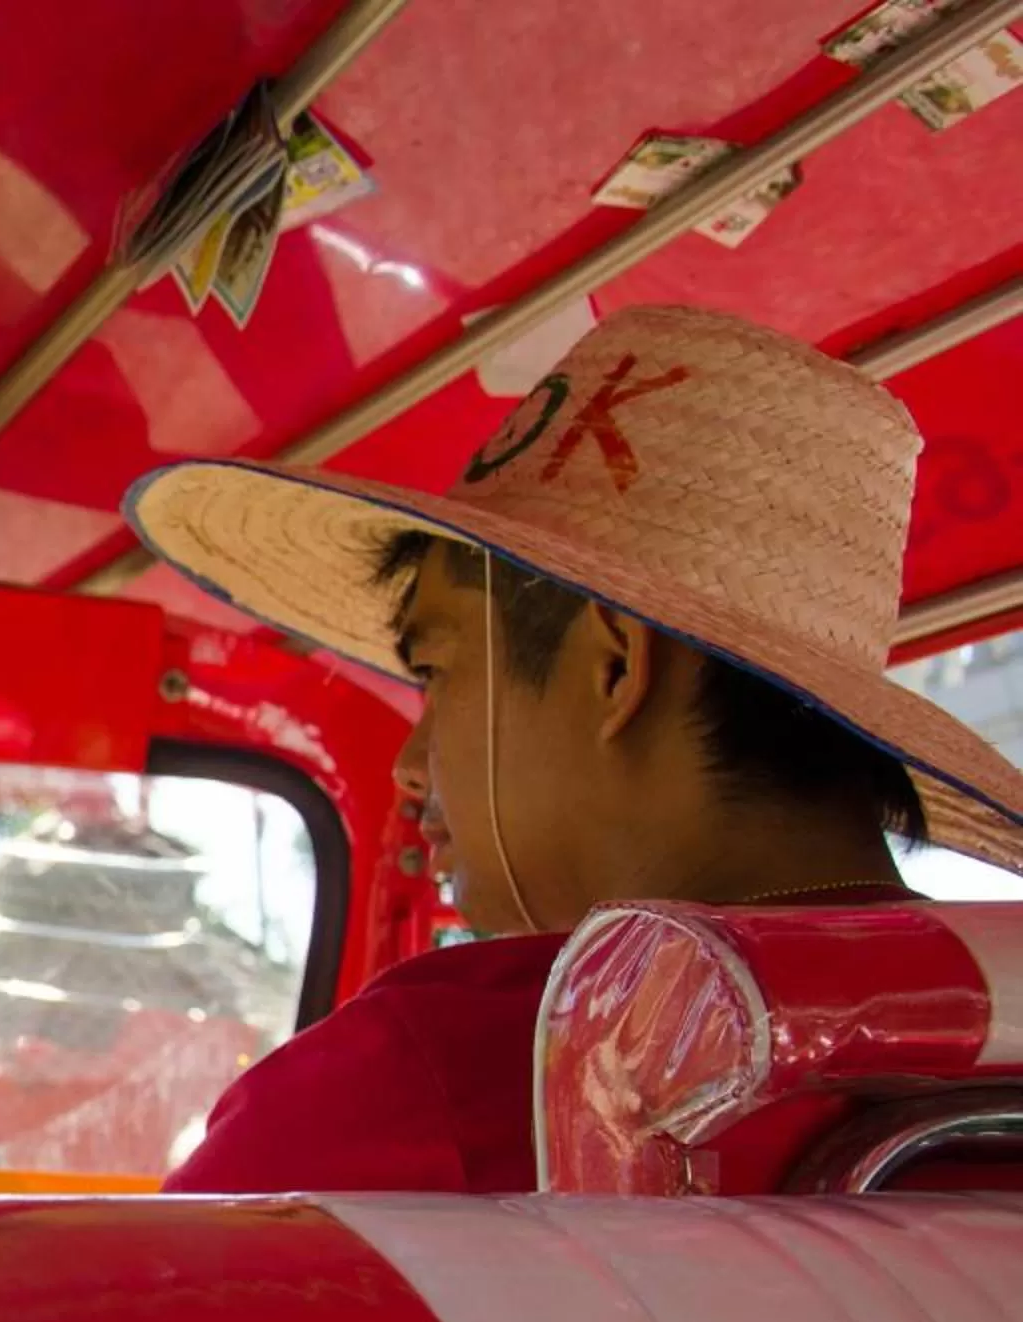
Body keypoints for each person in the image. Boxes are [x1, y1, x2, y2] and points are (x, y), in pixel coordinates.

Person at [124, 304, 1023, 1193]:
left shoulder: (437, 1077)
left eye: (435, 671)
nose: (409, 763)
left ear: (612, 667)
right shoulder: (989, 1049)